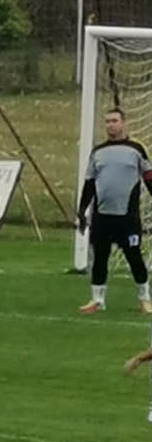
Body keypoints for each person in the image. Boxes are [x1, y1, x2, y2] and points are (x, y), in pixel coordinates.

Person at [77, 108, 152, 315]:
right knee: (100, 257)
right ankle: (97, 300)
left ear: (124, 123)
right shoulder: (98, 152)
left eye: (114, 121)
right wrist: (82, 210)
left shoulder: (136, 149)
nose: (110, 125)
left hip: (128, 216)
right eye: (107, 121)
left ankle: (144, 298)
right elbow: (89, 183)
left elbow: (148, 177)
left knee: (134, 257)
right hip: (102, 216)